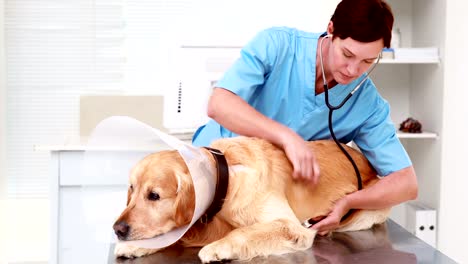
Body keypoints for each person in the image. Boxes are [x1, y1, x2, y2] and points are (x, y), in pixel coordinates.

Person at [192, 0, 418, 235]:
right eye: (347, 54)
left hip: (268, 206)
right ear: (331, 30)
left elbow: (406, 183)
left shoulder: (368, 104)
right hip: (212, 175)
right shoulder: (278, 45)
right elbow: (219, 104)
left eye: (368, 61)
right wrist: (286, 138)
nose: (352, 70)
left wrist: (349, 202)